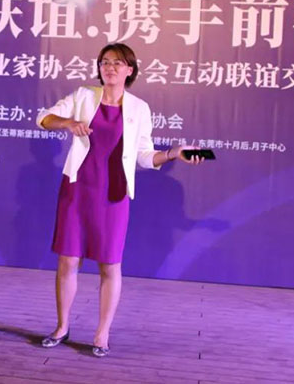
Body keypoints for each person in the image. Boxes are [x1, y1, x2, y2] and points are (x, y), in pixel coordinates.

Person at [37, 43, 203, 356]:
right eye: (105, 62)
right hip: (77, 188)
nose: (110, 67)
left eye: (117, 63)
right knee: (68, 260)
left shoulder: (139, 108)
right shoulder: (84, 96)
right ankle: (61, 326)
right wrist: (67, 123)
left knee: (109, 265)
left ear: (130, 70)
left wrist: (172, 154)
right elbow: (44, 118)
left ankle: (102, 333)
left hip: (113, 194)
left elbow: (144, 156)